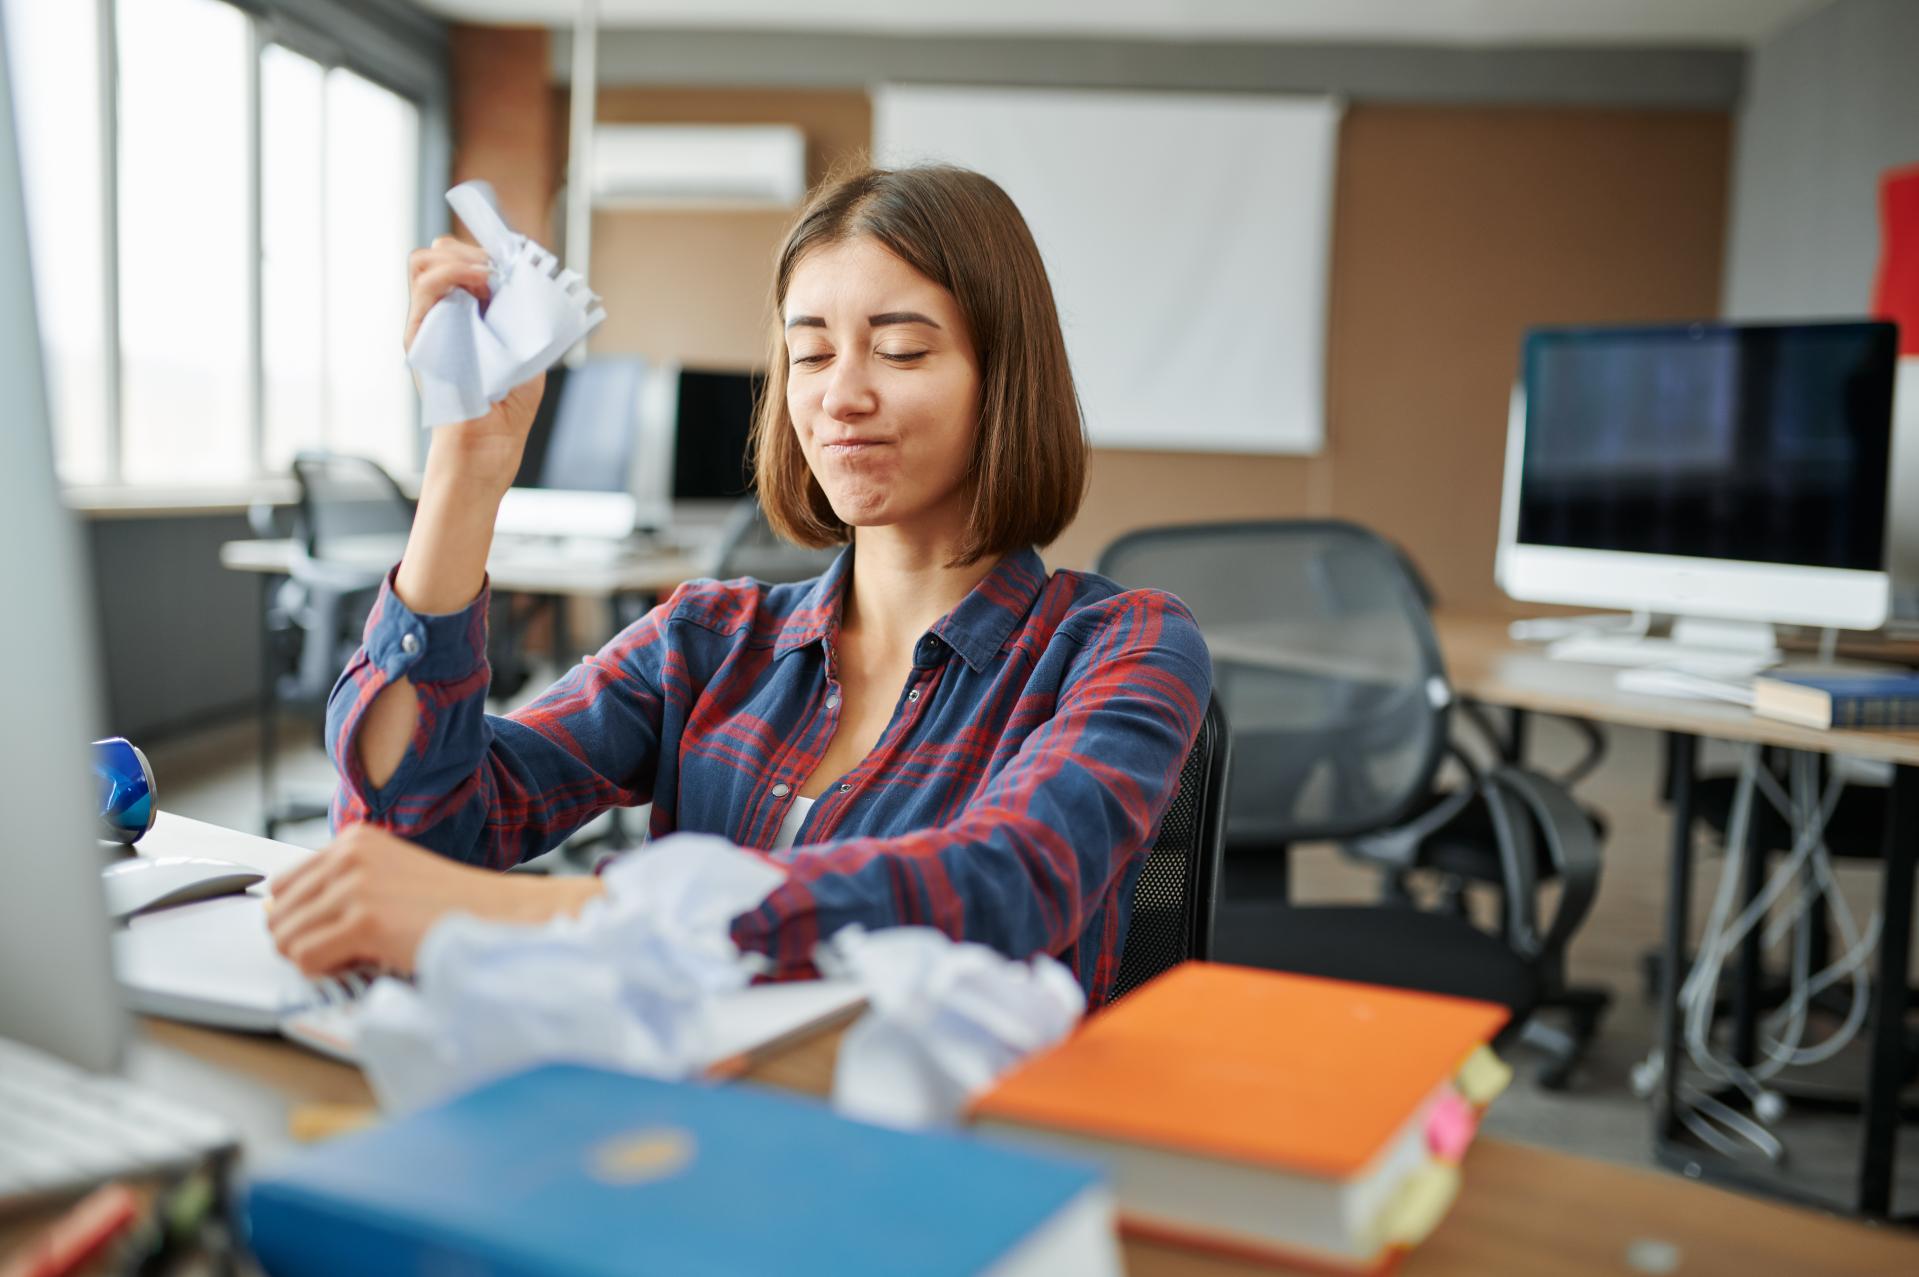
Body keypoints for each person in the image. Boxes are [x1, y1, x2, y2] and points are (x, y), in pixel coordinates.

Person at [267, 164, 1212, 1006]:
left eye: (900, 350)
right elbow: (414, 834)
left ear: (1003, 377)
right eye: (809, 353)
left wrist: (546, 912)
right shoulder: (710, 636)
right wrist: (465, 469)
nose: (839, 395)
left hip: (942, 1149)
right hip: (691, 1121)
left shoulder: (1124, 643)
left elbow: (1009, 885)